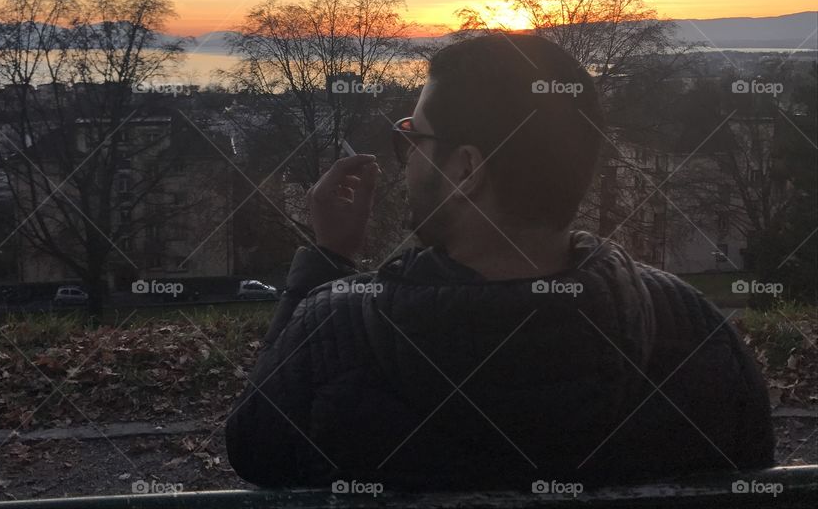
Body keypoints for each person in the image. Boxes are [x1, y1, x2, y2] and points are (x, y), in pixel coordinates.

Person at [224, 33, 774, 491]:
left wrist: (326, 261)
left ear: (466, 169)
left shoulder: (338, 331)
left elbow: (255, 450)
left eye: (412, 137)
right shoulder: (694, 333)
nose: (406, 157)